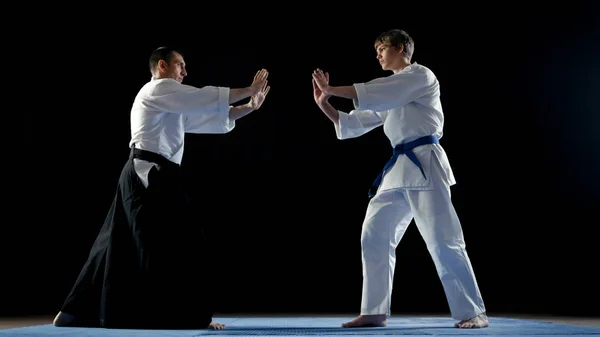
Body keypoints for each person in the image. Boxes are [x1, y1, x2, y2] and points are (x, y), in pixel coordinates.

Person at [53, 46, 270, 330]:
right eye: (180, 65)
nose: (184, 71)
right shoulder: (156, 89)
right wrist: (248, 89)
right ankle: (184, 314)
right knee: (178, 241)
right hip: (148, 172)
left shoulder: (171, 103)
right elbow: (201, 96)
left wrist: (249, 107)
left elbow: (209, 118)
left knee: (115, 241)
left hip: (147, 173)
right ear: (162, 66)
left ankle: (74, 312)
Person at [311, 29, 488, 329]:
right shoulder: (393, 91)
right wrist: (324, 103)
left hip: (425, 162)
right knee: (374, 232)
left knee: (443, 238)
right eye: (376, 49)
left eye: (382, 48)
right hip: (399, 168)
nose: (378, 54)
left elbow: (379, 91)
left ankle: (474, 311)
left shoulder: (420, 77)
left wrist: (333, 89)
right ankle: (375, 310)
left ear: (402, 47)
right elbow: (355, 121)